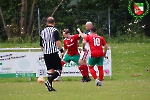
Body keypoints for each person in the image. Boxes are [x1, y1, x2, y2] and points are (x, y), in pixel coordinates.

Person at [40, 17, 64, 91]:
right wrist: (61, 50)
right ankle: (49, 81)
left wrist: (44, 52)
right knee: (59, 69)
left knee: (50, 70)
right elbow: (57, 41)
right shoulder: (55, 30)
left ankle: (49, 87)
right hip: (53, 52)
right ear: (54, 23)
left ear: (47, 23)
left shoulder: (43, 31)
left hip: (46, 53)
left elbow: (41, 44)